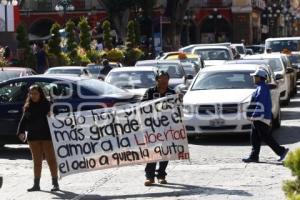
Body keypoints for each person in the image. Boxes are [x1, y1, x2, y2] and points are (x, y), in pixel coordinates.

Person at [17, 85, 59, 192]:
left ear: (40, 94)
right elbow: (23, 120)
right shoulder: (28, 106)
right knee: (37, 161)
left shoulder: (47, 104)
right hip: (33, 137)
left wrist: (52, 114)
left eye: (35, 93)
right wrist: (20, 132)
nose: (33, 96)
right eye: (31, 93)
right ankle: (36, 185)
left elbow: (57, 116)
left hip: (46, 137)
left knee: (51, 160)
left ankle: (55, 183)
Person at [242, 69, 289, 163]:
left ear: (259, 78)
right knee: (254, 137)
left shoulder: (262, 89)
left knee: (265, 137)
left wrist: (254, 115)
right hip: (259, 117)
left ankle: (281, 151)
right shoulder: (261, 88)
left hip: (260, 117)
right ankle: (254, 156)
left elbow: (260, 104)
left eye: (255, 77)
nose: (253, 78)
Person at [142, 71, 176, 186]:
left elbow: (176, 109)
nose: (164, 83)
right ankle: (149, 177)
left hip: (167, 128)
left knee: (165, 152)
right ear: (157, 80)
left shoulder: (172, 93)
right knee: (152, 152)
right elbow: (142, 106)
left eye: (166, 81)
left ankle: (161, 175)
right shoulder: (150, 92)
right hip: (152, 128)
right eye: (161, 80)